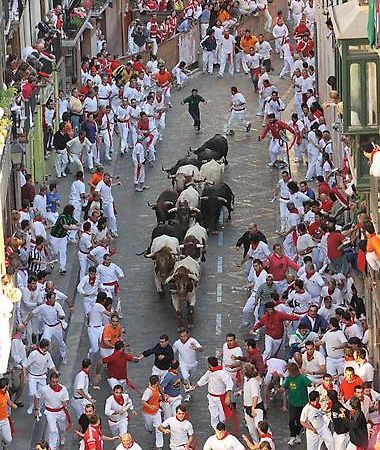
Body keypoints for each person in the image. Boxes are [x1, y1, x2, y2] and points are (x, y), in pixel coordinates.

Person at [195, 356, 233, 429]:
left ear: (209, 364)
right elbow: (203, 379)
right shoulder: (209, 371)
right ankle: (216, 429)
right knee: (213, 414)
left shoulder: (222, 373)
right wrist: (196, 385)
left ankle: (222, 427)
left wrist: (228, 396)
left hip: (220, 398)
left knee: (222, 417)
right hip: (211, 397)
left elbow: (229, 383)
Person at [281, 362, 312, 446]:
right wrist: (279, 390)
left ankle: (297, 435)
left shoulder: (302, 378)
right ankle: (292, 436)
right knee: (291, 420)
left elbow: (310, 383)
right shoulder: (289, 378)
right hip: (292, 403)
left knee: (300, 421)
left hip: (302, 403)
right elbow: (285, 386)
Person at [38, 372, 70, 450]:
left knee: (62, 428)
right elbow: (37, 396)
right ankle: (52, 447)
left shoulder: (63, 389)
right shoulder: (44, 389)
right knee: (52, 430)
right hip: (50, 412)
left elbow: (67, 400)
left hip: (61, 412)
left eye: (56, 382)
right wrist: (36, 408)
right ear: (50, 381)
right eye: (53, 382)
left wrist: (65, 403)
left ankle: (62, 437)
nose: (55, 384)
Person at [172, 328, 202, 400]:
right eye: (181, 336)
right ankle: (187, 394)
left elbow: (201, 349)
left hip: (193, 363)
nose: (183, 338)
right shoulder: (177, 343)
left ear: (188, 335)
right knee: (185, 377)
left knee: (190, 378)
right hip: (183, 363)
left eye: (184, 336)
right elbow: (172, 352)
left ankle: (189, 385)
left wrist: (196, 348)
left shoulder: (193, 341)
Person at [50, 204, 80, 274]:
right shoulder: (62, 217)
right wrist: (75, 228)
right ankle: (50, 259)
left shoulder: (70, 217)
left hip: (63, 237)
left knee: (63, 252)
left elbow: (75, 221)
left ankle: (62, 268)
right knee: (55, 252)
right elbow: (65, 226)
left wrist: (81, 224)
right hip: (55, 237)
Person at [95, 172, 122, 238]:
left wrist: (116, 184)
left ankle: (114, 230)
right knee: (104, 217)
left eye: (109, 178)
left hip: (109, 202)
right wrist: (99, 194)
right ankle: (104, 230)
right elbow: (97, 191)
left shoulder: (109, 181)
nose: (108, 179)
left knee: (112, 216)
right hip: (103, 203)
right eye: (107, 178)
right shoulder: (100, 184)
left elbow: (110, 185)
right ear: (103, 177)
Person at [141, 375, 164, 449]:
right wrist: (150, 406)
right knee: (150, 426)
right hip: (147, 413)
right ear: (157, 382)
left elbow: (156, 397)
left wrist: (162, 397)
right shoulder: (148, 391)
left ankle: (159, 446)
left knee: (159, 428)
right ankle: (148, 427)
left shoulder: (156, 388)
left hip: (156, 412)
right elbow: (143, 401)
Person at [243, 363, 264, 443]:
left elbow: (255, 396)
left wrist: (253, 408)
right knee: (251, 429)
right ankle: (256, 444)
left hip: (255, 407)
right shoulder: (247, 380)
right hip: (248, 407)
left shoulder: (252, 381)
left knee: (259, 426)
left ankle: (266, 442)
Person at [0, 378, 17, 447]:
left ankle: (4, 442)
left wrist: (14, 406)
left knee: (8, 439)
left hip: (4, 420)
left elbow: (9, 402)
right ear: (6, 386)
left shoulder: (6, 393)